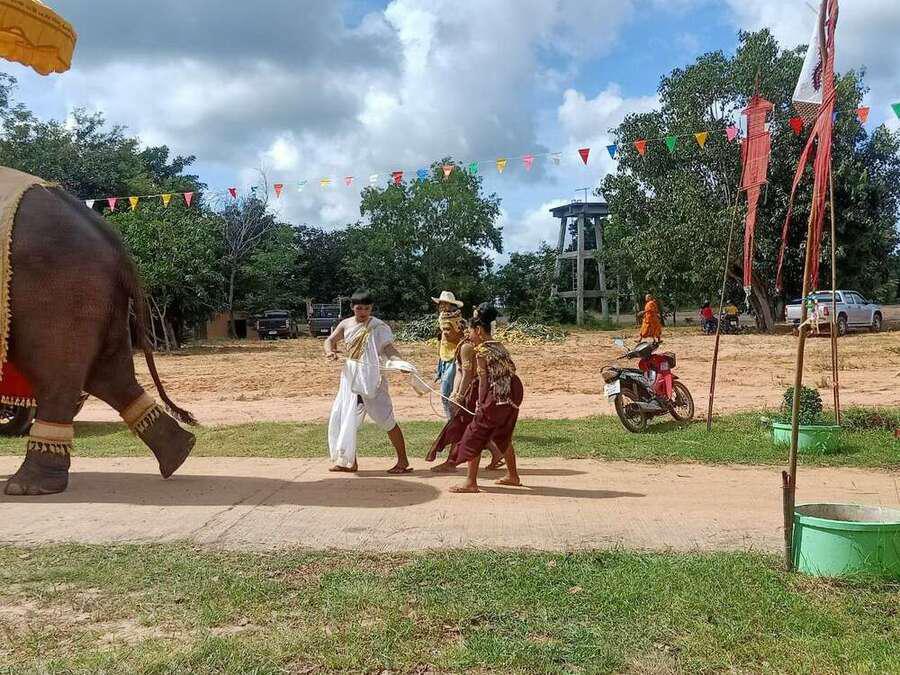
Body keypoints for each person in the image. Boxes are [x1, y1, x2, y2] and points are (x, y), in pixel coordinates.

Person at [324, 289, 411, 474]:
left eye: (366, 308)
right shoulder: (346, 324)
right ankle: (348, 462)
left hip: (372, 378)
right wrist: (330, 351)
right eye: (359, 308)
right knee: (346, 419)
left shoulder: (378, 326)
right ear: (352, 307)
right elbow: (330, 340)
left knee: (386, 420)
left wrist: (399, 362)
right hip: (350, 378)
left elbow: (388, 348)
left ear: (371, 308)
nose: (363, 312)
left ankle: (403, 461)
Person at [445, 304, 523, 494]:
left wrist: (480, 404)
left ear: (478, 330)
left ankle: (470, 482)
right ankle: (513, 476)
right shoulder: (499, 346)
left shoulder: (481, 351)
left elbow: (483, 382)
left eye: (471, 331)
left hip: (496, 397)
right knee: (503, 435)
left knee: (474, 435)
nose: (469, 335)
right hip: (511, 396)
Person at [427, 317, 505, 473]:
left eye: (448, 329)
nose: (445, 333)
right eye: (443, 329)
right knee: (469, 425)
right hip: (470, 390)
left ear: (460, 330)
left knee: (461, 425)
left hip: (474, 391)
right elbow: (460, 371)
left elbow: (467, 374)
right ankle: (496, 453)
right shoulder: (462, 346)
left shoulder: (467, 347)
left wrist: (460, 396)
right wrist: (455, 393)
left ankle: (452, 462)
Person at [432, 290, 465, 419]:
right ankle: (453, 419)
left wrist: (449, 334)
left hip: (454, 358)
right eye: (441, 303)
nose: (442, 306)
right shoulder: (442, 318)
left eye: (445, 303)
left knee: (446, 392)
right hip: (444, 357)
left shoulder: (458, 320)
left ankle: (452, 420)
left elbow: (460, 338)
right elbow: (441, 339)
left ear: (451, 305)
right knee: (447, 391)